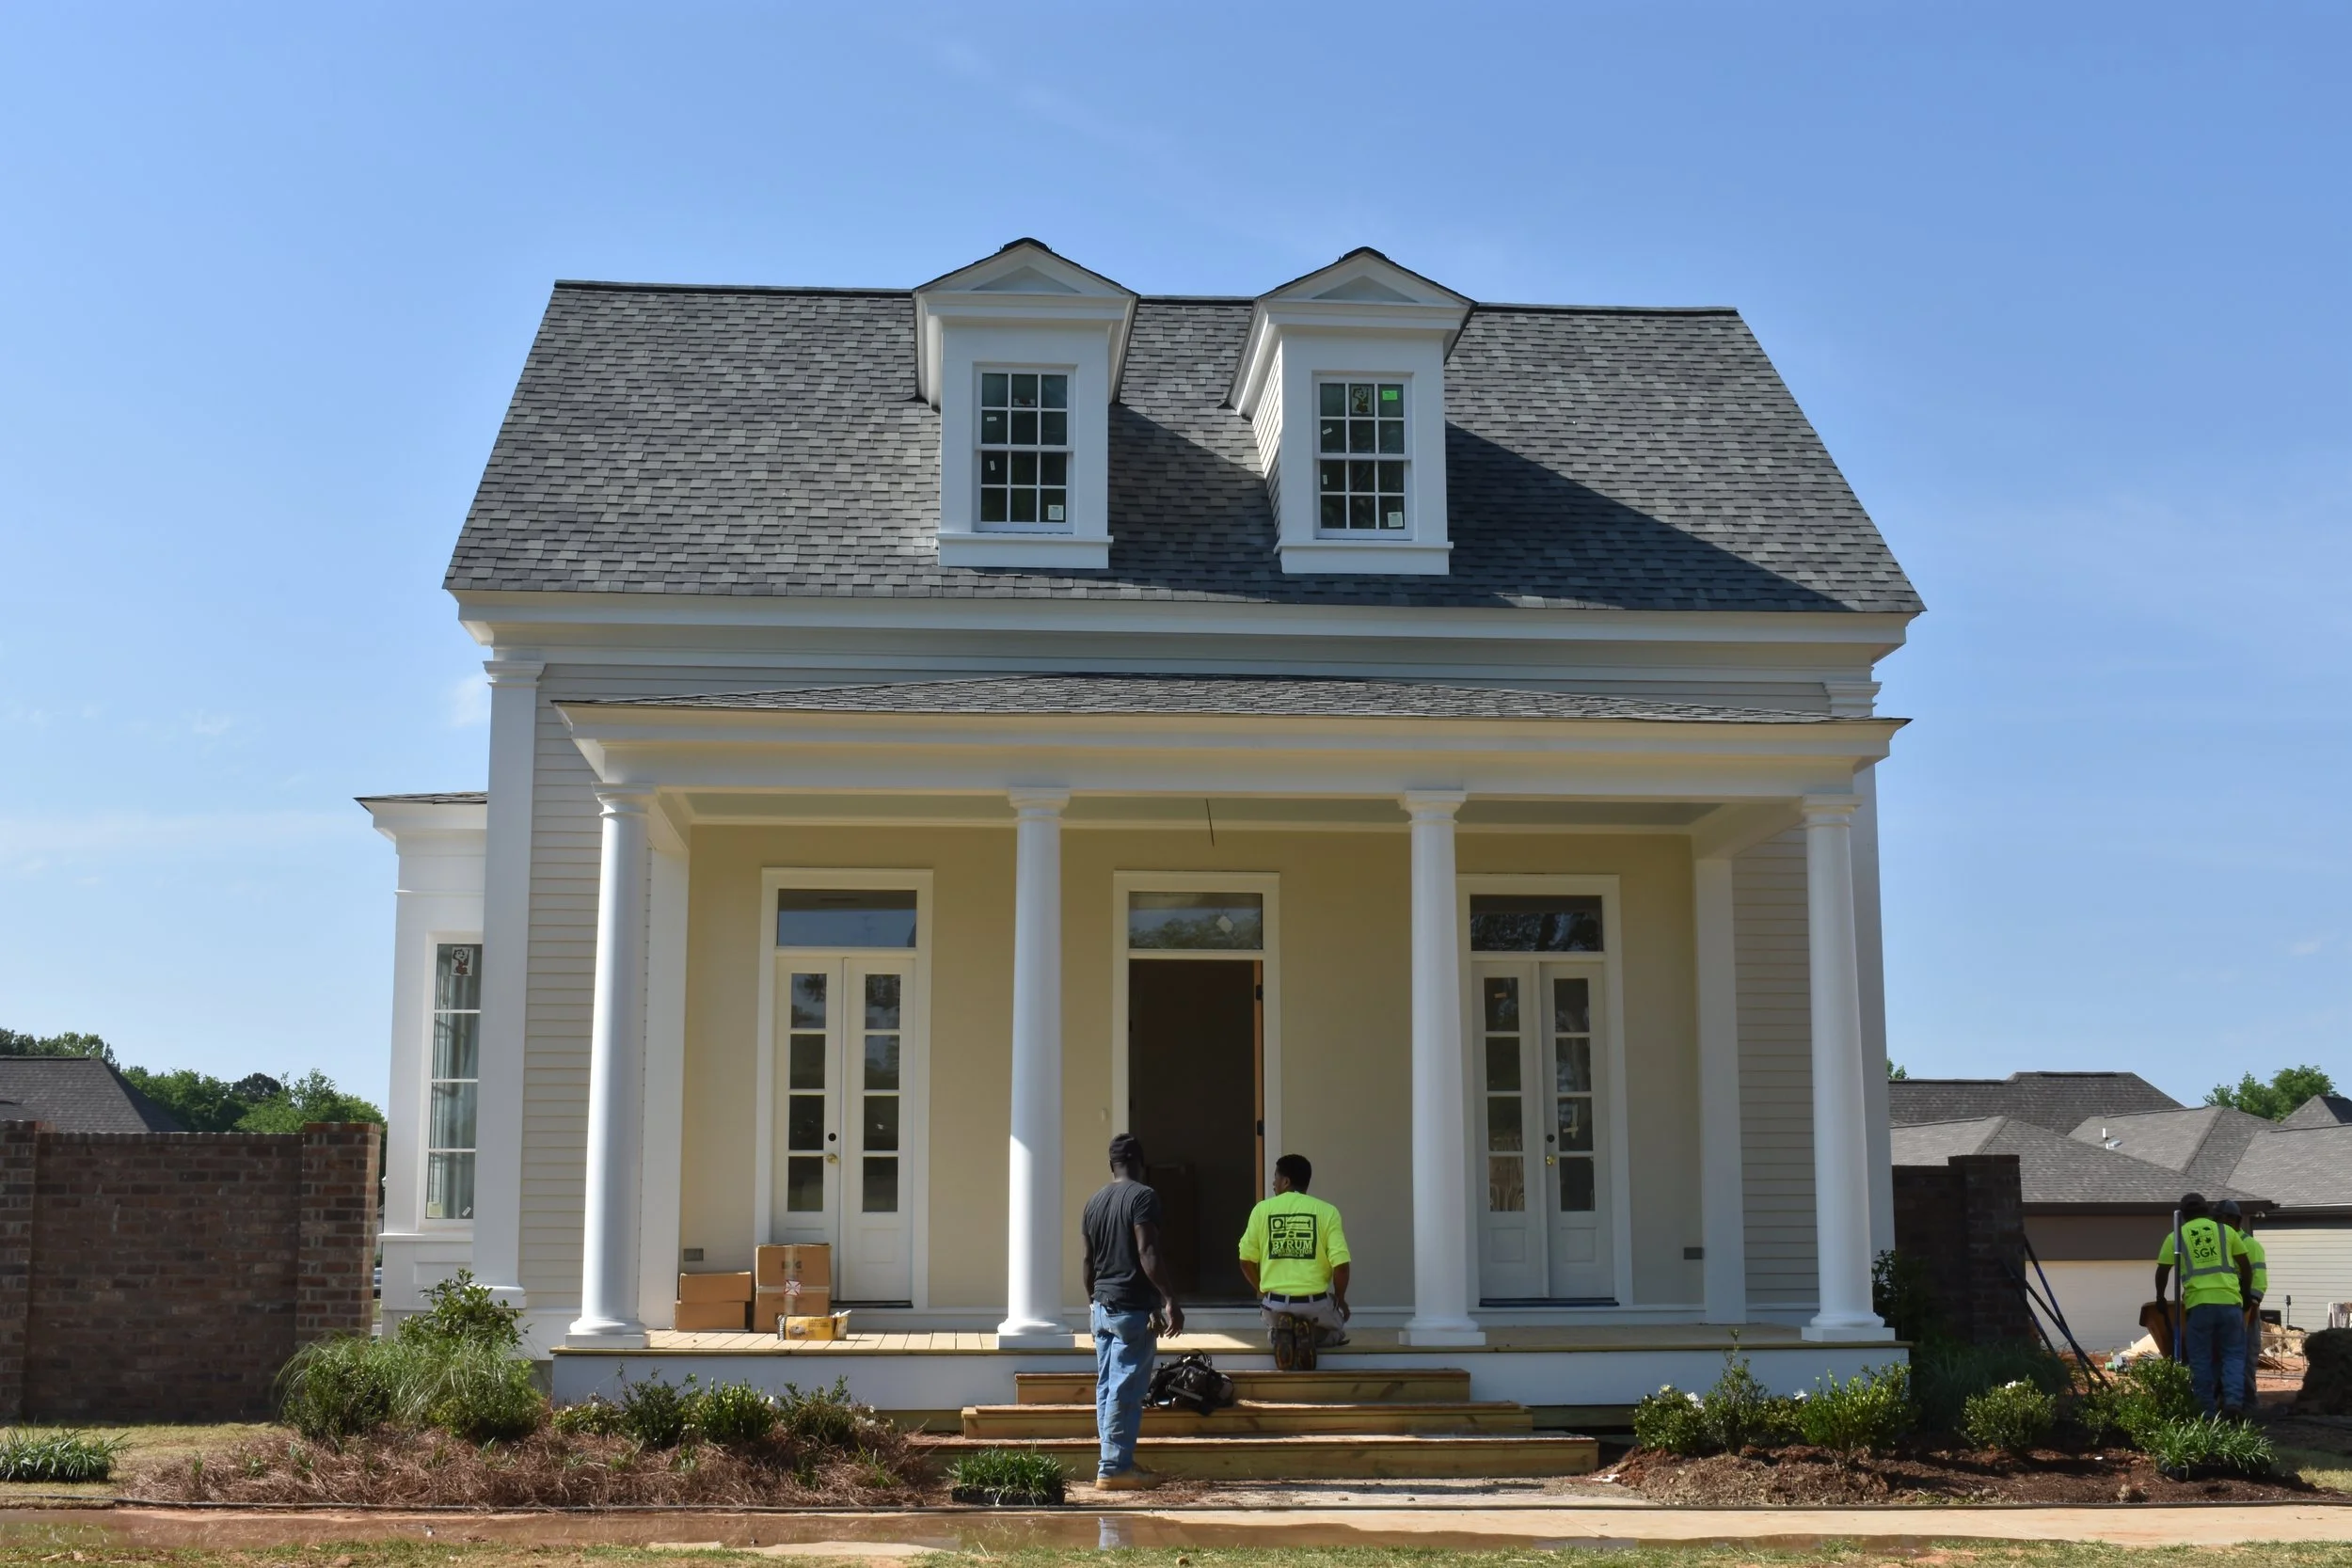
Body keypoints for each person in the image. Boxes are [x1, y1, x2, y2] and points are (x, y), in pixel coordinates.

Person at [1080, 1132, 1184, 1490]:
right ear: (1140, 1162)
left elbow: (1087, 1262)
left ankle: (1114, 1460)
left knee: (1108, 1388)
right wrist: (1169, 1298)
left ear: (1111, 1165)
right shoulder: (1143, 1196)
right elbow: (1148, 1252)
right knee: (1125, 1387)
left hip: (1103, 1305)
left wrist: (1093, 1301)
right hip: (1131, 1308)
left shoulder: (1094, 1203)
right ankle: (1114, 1468)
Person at [1237, 1152, 1352, 1372]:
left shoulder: (1261, 1210)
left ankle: (1281, 1334)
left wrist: (1263, 1290)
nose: (1273, 1183)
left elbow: (1245, 1261)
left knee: (1273, 1330)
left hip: (1276, 1304)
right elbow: (1342, 1266)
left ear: (1286, 1181)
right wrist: (1340, 1298)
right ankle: (1310, 1333)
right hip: (1315, 1303)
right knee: (1338, 1331)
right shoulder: (1327, 1211)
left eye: (1275, 1177)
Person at [2154, 1191, 2254, 1417]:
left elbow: (2163, 1270)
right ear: (2207, 1210)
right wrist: (2246, 1294)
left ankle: (2206, 1410)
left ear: (2184, 1214)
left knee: (2200, 1358)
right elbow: (2245, 1265)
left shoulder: (2177, 1236)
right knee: (2233, 1355)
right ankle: (2233, 1402)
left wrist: (2160, 1298)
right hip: (2229, 1302)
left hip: (2199, 1305)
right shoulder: (2226, 1231)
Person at [2217, 1199, 2267, 1412]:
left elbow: (2259, 1278)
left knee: (2245, 1357)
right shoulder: (2219, 1244)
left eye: (2220, 1220)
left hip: (2246, 1309)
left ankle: (2248, 1404)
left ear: (2233, 1221)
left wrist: (2252, 1301)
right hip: (2224, 1308)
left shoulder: (2250, 1245)